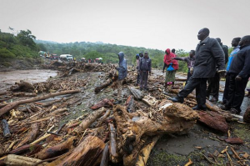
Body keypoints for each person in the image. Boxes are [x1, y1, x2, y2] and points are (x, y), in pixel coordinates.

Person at [169, 28, 225, 110]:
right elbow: (198, 59)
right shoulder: (199, 44)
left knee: (191, 82)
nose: (197, 35)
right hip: (199, 67)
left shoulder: (212, 42)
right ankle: (201, 105)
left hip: (206, 68)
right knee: (201, 87)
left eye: (199, 33)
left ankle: (180, 97)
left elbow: (220, 55)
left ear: (205, 33)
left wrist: (221, 68)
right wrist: (193, 67)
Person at [221, 35, 250, 114]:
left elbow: (248, 64)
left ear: (245, 41)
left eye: (241, 40)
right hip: (233, 73)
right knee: (231, 90)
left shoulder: (248, 49)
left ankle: (235, 108)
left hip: (239, 75)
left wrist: (241, 74)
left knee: (239, 91)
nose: (239, 41)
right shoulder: (241, 50)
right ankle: (228, 104)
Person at [206, 38, 228, 102]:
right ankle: (207, 94)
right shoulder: (212, 48)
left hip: (217, 68)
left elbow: (224, 59)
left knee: (215, 83)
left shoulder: (223, 48)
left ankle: (215, 97)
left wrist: (220, 67)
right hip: (210, 68)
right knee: (210, 82)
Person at [222, 37, 241, 105]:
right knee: (227, 87)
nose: (231, 42)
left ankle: (231, 103)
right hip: (229, 71)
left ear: (239, 41)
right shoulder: (233, 51)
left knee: (233, 89)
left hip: (235, 72)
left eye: (233, 41)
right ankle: (225, 100)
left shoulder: (239, 50)